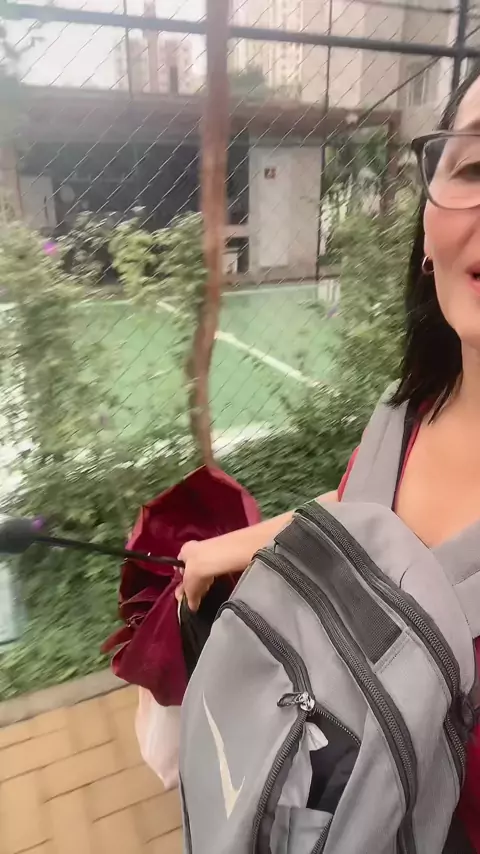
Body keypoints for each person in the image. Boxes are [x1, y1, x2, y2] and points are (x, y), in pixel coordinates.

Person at [178, 65, 480, 850]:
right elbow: (358, 526)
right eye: (476, 166)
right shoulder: (403, 415)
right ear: (428, 231)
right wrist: (233, 545)